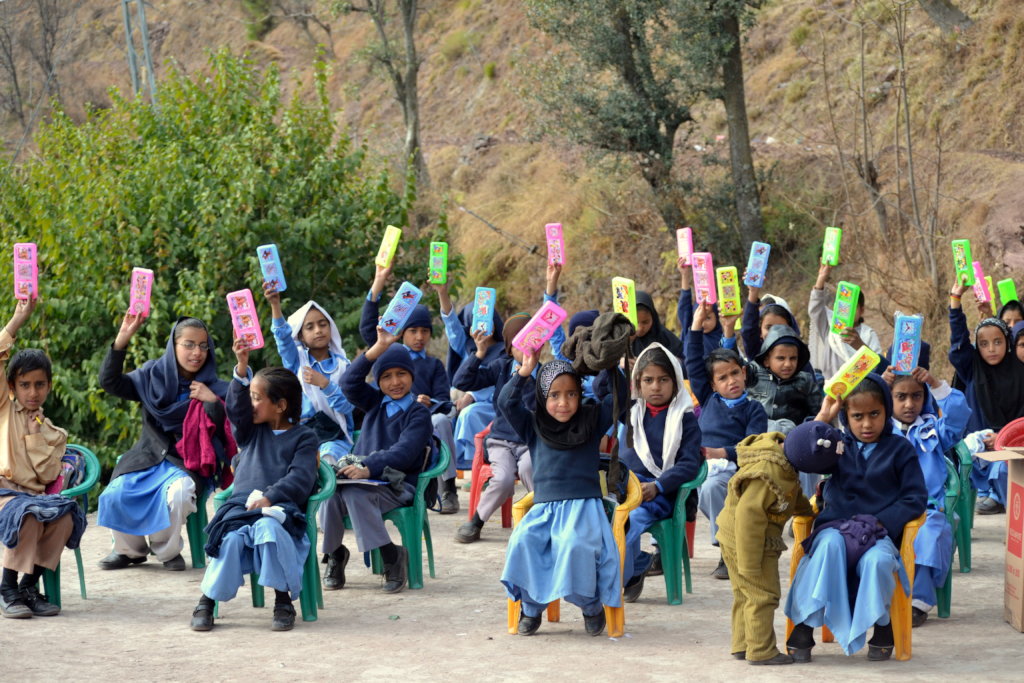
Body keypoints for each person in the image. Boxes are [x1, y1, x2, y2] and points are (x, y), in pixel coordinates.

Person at [784, 378, 927, 662]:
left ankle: (882, 624)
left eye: (874, 414)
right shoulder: (836, 445)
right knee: (828, 547)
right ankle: (804, 625)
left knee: (878, 562)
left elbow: (915, 498)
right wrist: (823, 417)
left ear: (887, 411)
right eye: (857, 416)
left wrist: (878, 523)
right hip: (834, 527)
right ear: (845, 417)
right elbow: (799, 456)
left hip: (878, 533)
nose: (866, 424)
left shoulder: (901, 450)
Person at [189, 347, 318, 633]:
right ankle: (207, 601)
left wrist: (269, 498)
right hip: (239, 508)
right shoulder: (249, 431)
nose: (251, 404)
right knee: (231, 540)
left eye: (257, 398)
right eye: (250, 397)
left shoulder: (304, 438)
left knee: (269, 532)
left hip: (279, 509)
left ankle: (283, 601)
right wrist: (241, 367)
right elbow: (235, 411)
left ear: (281, 405)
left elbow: (301, 478)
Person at [498, 354, 627, 636]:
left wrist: (609, 365)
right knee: (524, 542)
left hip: (584, 509)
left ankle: (590, 607)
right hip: (544, 509)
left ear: (581, 394)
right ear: (542, 397)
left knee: (573, 545)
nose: (563, 402)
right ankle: (531, 609)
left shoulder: (591, 421)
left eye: (571, 394)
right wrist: (523, 373)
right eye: (554, 395)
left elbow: (619, 399)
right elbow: (506, 402)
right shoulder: (533, 425)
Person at [97, 315, 231, 572]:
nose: (197, 352)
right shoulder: (151, 377)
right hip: (148, 456)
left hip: (187, 463)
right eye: (189, 344)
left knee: (178, 494)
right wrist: (122, 339)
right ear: (174, 345)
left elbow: (233, 426)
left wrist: (211, 401)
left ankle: (166, 551)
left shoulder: (214, 387)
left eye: (203, 346)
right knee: (114, 492)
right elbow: (110, 382)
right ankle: (130, 551)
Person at [318, 330, 432, 593]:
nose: (395, 382)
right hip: (361, 479)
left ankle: (392, 556)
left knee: (356, 494)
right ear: (378, 381)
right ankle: (335, 554)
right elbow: (349, 382)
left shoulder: (418, 414)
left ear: (411, 375)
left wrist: (369, 467)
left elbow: (404, 452)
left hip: (396, 484)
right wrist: (378, 347)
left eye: (401, 374)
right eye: (386, 376)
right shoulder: (374, 403)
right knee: (330, 494)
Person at [0, 299, 85, 618]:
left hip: (31, 497)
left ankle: (28, 586)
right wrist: (17, 320)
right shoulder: (4, 409)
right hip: (3, 493)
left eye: (39, 385)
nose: (32, 392)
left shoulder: (54, 432)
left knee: (65, 515)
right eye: (24, 385)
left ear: (48, 387)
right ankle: (7, 587)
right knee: (29, 513)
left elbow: (48, 478)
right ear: (11, 386)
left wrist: (40, 436)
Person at [359, 264, 458, 513]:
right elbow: (367, 329)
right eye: (413, 330)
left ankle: (449, 487)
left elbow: (444, 400)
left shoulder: (433, 364)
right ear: (402, 333)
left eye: (425, 331)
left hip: (423, 417)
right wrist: (377, 286)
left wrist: (428, 402)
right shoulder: (389, 353)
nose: (419, 336)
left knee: (441, 421)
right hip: (390, 422)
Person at [685, 302, 768, 579]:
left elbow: (752, 446)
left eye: (735, 373)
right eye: (722, 377)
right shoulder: (708, 399)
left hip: (737, 468)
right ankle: (726, 543)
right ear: (713, 384)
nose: (730, 381)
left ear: (744, 373)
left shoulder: (753, 408)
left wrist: (721, 452)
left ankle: (727, 550)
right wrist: (696, 324)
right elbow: (693, 361)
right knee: (707, 487)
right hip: (705, 467)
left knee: (717, 488)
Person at [615, 343, 702, 602]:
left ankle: (619, 577)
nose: (655, 386)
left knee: (628, 521)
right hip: (626, 489)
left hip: (660, 495)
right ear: (637, 383)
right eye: (648, 380)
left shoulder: (685, 420)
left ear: (675, 382)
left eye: (663, 379)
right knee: (601, 518)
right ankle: (636, 566)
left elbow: (688, 465)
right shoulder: (631, 413)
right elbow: (603, 391)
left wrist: (659, 486)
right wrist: (614, 363)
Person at [883, 365, 969, 627]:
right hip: (886, 507)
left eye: (917, 396)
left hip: (928, 509)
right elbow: (849, 415)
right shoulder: (879, 429)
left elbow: (958, 416)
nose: (909, 404)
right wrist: (877, 384)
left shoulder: (933, 429)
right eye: (900, 397)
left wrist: (934, 382)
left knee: (933, 532)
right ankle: (882, 597)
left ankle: (918, 602)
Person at [717, 432, 813, 665]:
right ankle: (761, 650)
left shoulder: (782, 461)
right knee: (763, 595)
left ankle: (742, 645)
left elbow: (792, 498)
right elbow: (748, 515)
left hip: (732, 537)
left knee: (744, 593)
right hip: (749, 542)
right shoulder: (769, 472)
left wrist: (810, 510)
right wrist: (749, 563)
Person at [452, 313, 535, 543]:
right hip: (501, 441)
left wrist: (529, 376)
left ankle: (542, 519)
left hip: (530, 441)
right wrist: (479, 354)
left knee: (531, 470)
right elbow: (462, 382)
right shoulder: (501, 367)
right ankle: (477, 520)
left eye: (534, 342)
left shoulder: (545, 374)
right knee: (503, 478)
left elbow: (539, 407)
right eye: (521, 343)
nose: (528, 349)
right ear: (509, 348)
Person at [948, 282, 1024, 515]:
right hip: (979, 446)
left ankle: (1016, 523)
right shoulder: (971, 369)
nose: (991, 349)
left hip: (1013, 446)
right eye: (983, 344)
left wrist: (1004, 437)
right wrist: (955, 300)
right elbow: (959, 341)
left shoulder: (1020, 373)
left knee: (1003, 470)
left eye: (998, 342)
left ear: (1008, 343)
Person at [264, 285, 355, 464]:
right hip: (301, 435)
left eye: (322, 325)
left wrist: (325, 385)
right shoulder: (297, 361)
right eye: (310, 327)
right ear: (301, 336)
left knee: (326, 458)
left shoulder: (344, 366)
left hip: (334, 439)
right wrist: (275, 305)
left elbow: (347, 407)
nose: (318, 330)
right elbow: (283, 339)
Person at [744, 324, 824, 498]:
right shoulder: (752, 376)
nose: (788, 364)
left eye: (793, 358)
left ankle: (807, 513)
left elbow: (818, 414)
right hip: (759, 441)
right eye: (780, 358)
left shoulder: (806, 381)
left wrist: (802, 434)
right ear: (766, 359)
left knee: (809, 459)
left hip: (795, 443)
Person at [807, 262, 884, 379]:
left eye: (853, 308)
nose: (847, 312)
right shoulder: (829, 327)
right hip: (830, 388)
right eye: (843, 307)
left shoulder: (868, 334)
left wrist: (859, 345)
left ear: (861, 310)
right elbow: (815, 309)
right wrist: (821, 279)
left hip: (859, 390)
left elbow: (878, 366)